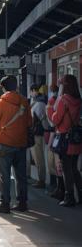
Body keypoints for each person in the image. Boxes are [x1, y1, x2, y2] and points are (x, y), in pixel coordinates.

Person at [0, 76, 32, 213]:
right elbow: (29, 123)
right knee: (20, 175)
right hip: (21, 143)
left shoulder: (0, 103)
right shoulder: (24, 102)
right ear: (16, 86)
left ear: (3, 87)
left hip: (5, 143)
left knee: (4, 175)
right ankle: (22, 203)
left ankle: (5, 203)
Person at [50, 74, 82, 207]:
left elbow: (55, 119)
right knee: (74, 168)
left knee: (66, 169)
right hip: (76, 138)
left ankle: (69, 197)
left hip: (65, 138)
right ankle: (80, 194)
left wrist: (51, 111)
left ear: (65, 86)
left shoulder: (63, 100)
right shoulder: (79, 100)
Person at [46, 85, 63, 199]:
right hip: (69, 137)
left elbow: (53, 122)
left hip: (60, 136)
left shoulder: (58, 102)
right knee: (68, 167)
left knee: (58, 164)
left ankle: (62, 190)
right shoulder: (76, 100)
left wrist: (49, 109)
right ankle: (64, 190)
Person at [29, 84, 47, 188]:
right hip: (37, 133)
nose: (31, 94)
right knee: (37, 157)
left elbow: (36, 118)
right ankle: (41, 179)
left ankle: (41, 180)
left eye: (31, 91)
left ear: (34, 91)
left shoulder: (39, 103)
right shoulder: (39, 102)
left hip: (37, 134)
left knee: (38, 157)